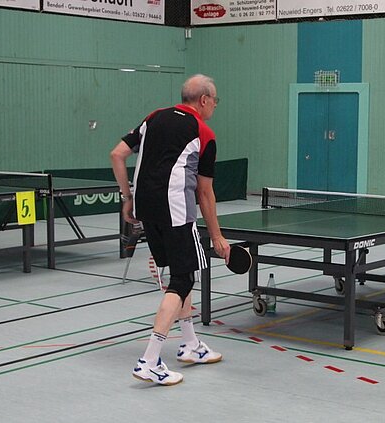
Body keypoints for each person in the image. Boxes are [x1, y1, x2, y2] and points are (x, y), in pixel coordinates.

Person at [110, 74, 231, 386]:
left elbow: (117, 154)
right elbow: (205, 193)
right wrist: (217, 236)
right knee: (182, 279)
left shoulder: (154, 117)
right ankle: (149, 361)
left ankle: (190, 344)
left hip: (146, 208)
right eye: (215, 101)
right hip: (175, 210)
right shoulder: (204, 133)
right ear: (204, 100)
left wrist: (127, 198)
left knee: (181, 272)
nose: (215, 106)